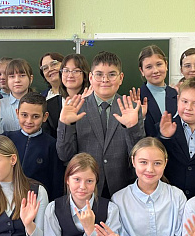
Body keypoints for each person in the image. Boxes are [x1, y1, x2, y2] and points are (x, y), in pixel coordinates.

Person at [56, 51, 145, 198]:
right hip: (85, 190)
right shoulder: (76, 107)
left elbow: (139, 156)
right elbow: (65, 155)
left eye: (112, 74)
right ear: (91, 77)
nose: (105, 80)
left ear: (121, 78)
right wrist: (65, 124)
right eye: (99, 74)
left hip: (123, 188)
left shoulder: (131, 107)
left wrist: (132, 128)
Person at [0, 92, 64, 199]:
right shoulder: (6, 138)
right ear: (17, 113)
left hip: (35, 200)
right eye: (24, 115)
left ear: (45, 117)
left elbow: (56, 183)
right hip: (3, 199)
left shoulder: (51, 145)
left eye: (35, 116)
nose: (29, 121)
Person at [44, 54, 91, 138]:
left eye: (76, 71)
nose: (70, 75)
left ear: (84, 74)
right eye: (66, 70)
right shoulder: (49, 105)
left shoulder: (93, 102)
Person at [136, 45, 178, 137]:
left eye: (159, 64)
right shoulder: (137, 98)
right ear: (142, 71)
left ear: (166, 65)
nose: (155, 71)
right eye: (149, 67)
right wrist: (141, 117)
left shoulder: (176, 95)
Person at [0, 58, 35, 134]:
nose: (17, 80)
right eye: (12, 76)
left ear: (30, 79)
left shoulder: (40, 103)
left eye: (22, 75)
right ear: (7, 80)